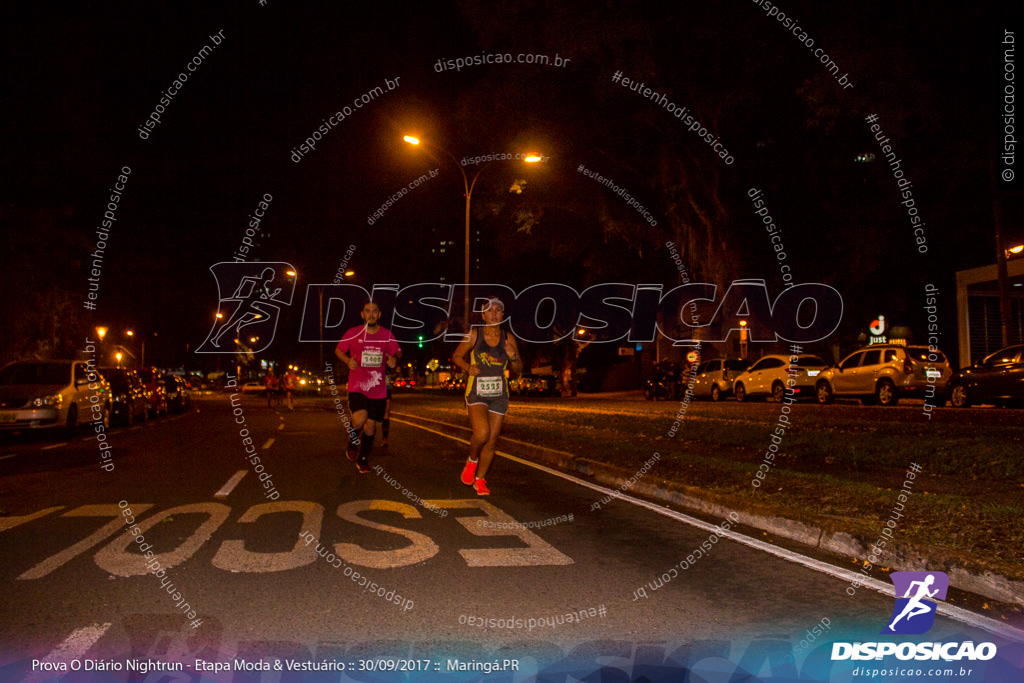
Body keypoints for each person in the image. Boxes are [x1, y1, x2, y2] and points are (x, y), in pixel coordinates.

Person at [453, 297, 523, 495]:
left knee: (492, 440)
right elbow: (456, 356)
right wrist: (468, 367)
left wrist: (513, 357)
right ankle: (472, 460)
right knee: (482, 433)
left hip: (499, 394)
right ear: (483, 315)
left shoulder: (508, 338)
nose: (494, 314)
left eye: (498, 310)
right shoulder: (475, 335)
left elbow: (518, 370)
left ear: (503, 314)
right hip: (477, 391)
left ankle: (480, 479)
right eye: (489, 310)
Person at [335, 300, 401, 473]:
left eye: (374, 311)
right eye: (367, 311)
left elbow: (397, 351)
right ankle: (352, 440)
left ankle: (363, 458)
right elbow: (339, 350)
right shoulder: (353, 333)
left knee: (371, 427)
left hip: (378, 390)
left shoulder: (386, 334)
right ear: (362, 314)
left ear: (379, 315)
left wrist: (395, 359)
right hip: (357, 386)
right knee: (359, 419)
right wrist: (347, 360)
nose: (371, 314)